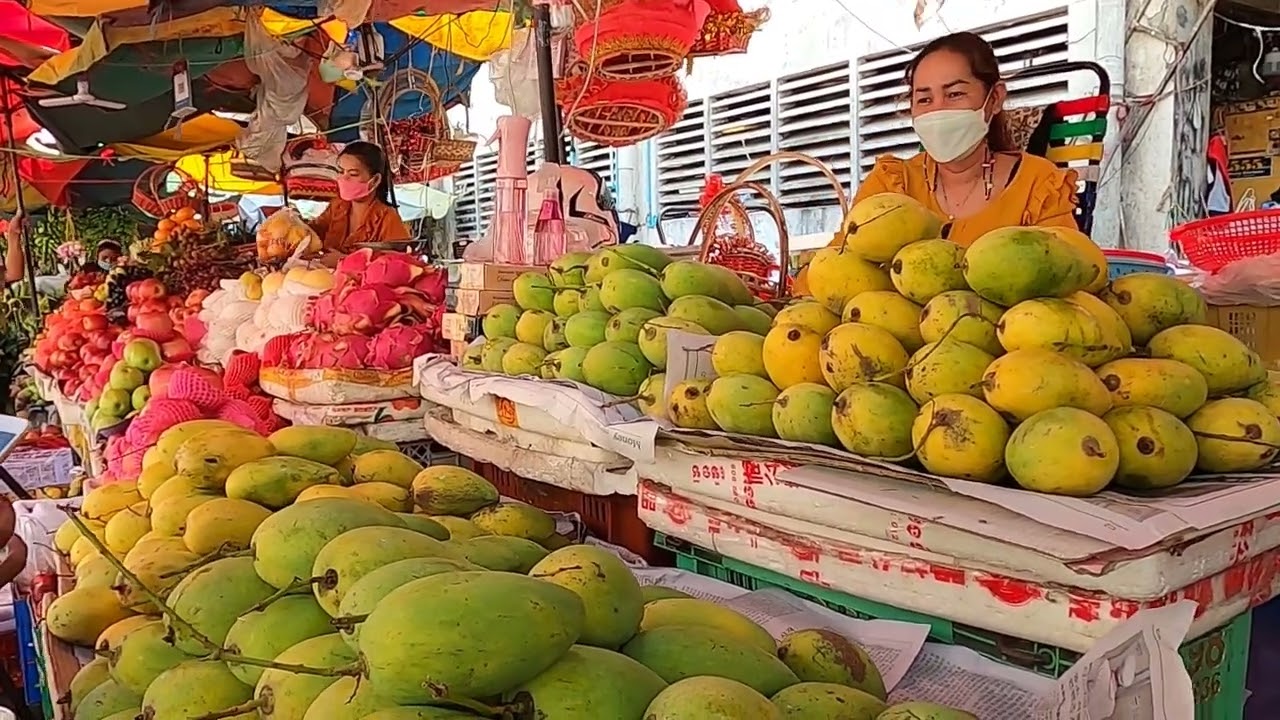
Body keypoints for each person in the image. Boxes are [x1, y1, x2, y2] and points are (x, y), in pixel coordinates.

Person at [795, 32, 1079, 292]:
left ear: (994, 99)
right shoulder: (892, 183)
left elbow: (1071, 273)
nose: (938, 111)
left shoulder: (1039, 184)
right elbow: (825, 272)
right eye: (925, 99)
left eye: (954, 94)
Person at [309, 141, 412, 258]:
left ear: (375, 180)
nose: (344, 178)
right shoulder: (337, 206)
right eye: (341, 171)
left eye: (353, 174)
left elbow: (399, 262)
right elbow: (312, 234)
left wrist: (345, 260)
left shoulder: (387, 218)